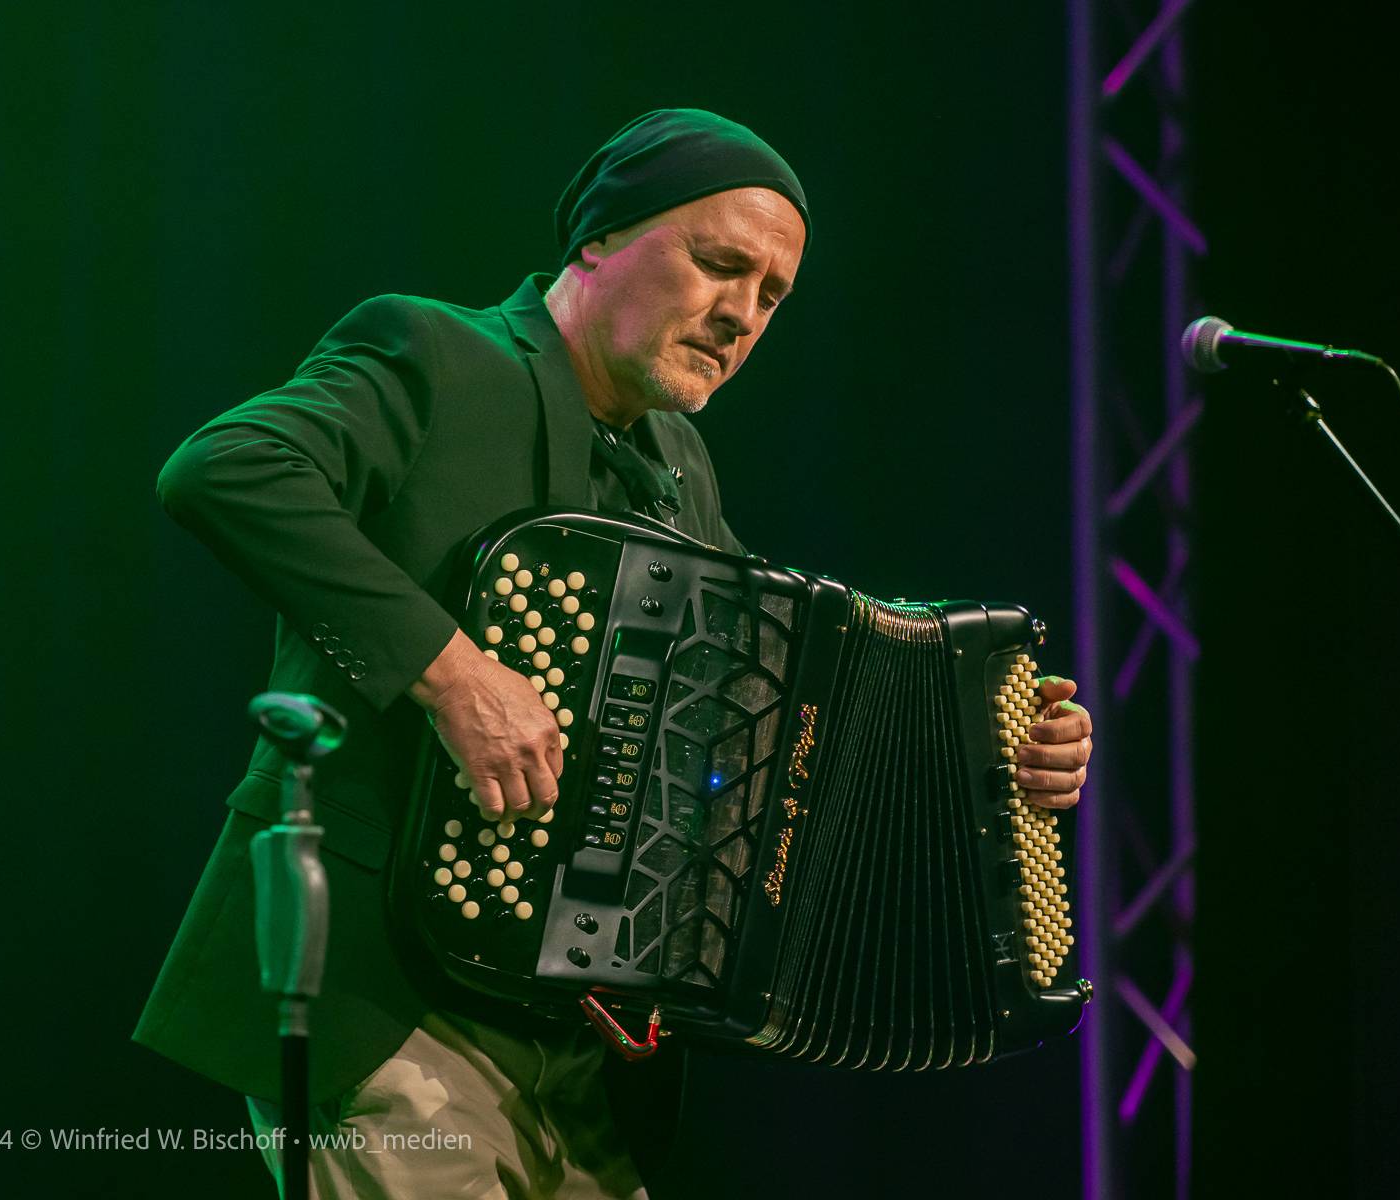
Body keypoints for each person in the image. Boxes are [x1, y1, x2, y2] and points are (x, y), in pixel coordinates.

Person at [135, 108, 1095, 1200]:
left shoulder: (677, 461)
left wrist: (987, 755)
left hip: (582, 1051)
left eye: (772, 295)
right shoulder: (435, 353)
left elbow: (772, 715)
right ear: (599, 238)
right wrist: (454, 673)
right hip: (387, 1000)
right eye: (718, 264)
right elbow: (224, 468)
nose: (740, 314)